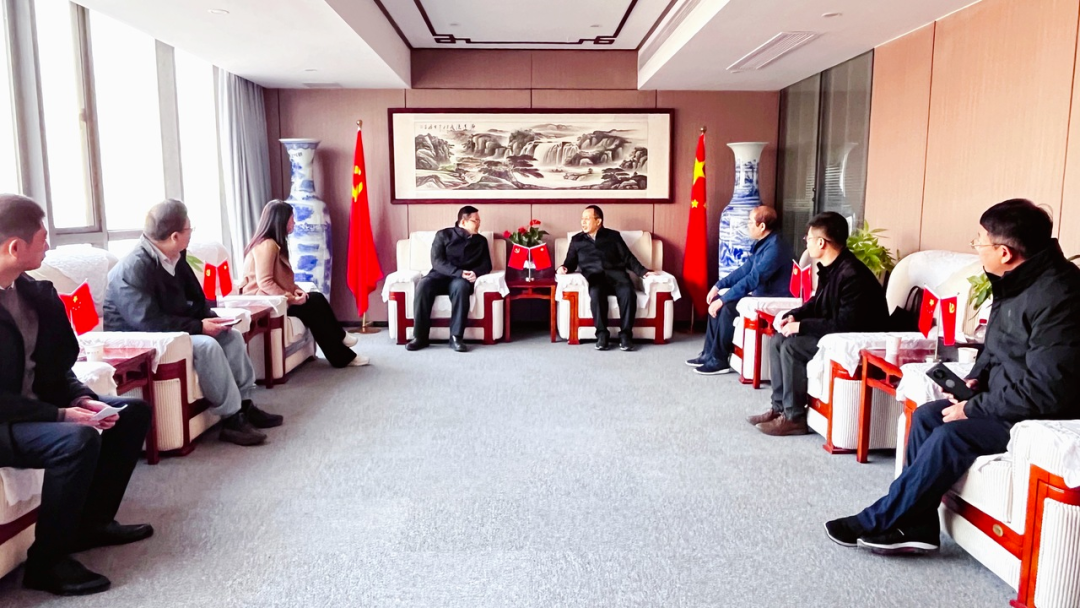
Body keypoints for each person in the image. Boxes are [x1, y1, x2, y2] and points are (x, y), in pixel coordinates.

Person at [825, 199, 1080, 555]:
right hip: (1008, 398)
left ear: (1005, 252)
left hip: (1038, 416)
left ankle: (877, 518)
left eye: (980, 240)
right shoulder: (1017, 280)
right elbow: (996, 346)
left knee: (951, 435)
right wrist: (975, 380)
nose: (976, 246)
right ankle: (919, 527)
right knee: (927, 415)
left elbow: (1048, 390)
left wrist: (973, 408)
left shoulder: (1060, 296)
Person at [0, 194, 153, 596]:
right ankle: (46, 564)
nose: (48, 245)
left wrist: (81, 398)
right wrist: (61, 416)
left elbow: (54, 367)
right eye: (42, 238)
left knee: (131, 413)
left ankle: (92, 524)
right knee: (77, 440)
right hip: (5, 420)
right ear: (15, 247)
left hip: (35, 409)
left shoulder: (31, 291)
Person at [104, 199, 281, 447]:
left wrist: (211, 318)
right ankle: (231, 419)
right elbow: (148, 322)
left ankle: (244, 405)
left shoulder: (174, 256)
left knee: (230, 337)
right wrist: (199, 327)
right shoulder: (132, 269)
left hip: (172, 329)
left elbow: (195, 298)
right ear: (175, 236)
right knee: (207, 345)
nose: (191, 234)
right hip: (141, 339)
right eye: (189, 229)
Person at [749, 211, 888, 436]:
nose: (806, 242)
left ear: (822, 242)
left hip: (854, 339)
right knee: (778, 339)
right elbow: (817, 302)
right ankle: (779, 408)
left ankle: (794, 418)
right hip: (835, 331)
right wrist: (794, 315)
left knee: (792, 347)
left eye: (809, 238)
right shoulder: (831, 267)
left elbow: (846, 324)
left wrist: (801, 327)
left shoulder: (853, 275)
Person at [239, 200, 366, 368]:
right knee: (314, 306)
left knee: (315, 299)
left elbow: (282, 278)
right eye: (292, 218)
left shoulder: (274, 244)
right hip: (266, 303)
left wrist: (296, 290)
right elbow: (265, 282)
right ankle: (341, 349)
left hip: (275, 299)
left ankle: (341, 350)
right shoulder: (267, 245)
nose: (294, 222)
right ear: (281, 221)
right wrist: (291, 298)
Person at [687, 206, 794, 375]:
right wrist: (719, 286)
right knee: (718, 301)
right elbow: (745, 270)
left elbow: (754, 279)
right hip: (761, 293)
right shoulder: (765, 242)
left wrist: (723, 300)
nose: (748, 225)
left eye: (750, 222)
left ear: (762, 226)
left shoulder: (775, 248)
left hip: (773, 297)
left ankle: (719, 360)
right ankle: (709, 354)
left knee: (727, 307)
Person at [556, 205, 659, 351]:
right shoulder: (577, 240)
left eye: (587, 219)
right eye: (582, 219)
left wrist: (643, 272)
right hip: (595, 277)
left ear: (598, 221)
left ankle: (626, 335)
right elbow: (570, 262)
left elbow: (628, 258)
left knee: (628, 293)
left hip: (617, 276)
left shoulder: (613, 236)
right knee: (596, 294)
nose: (583, 222)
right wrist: (564, 267)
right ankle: (602, 335)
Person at [406, 205, 492, 353]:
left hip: (461, 280)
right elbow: (437, 262)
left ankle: (456, 337)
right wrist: (458, 272)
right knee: (423, 284)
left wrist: (475, 273)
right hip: (439, 276)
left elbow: (486, 265)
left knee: (461, 287)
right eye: (475, 220)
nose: (479, 223)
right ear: (463, 222)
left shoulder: (481, 241)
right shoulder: (443, 235)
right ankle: (420, 337)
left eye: (479, 220)